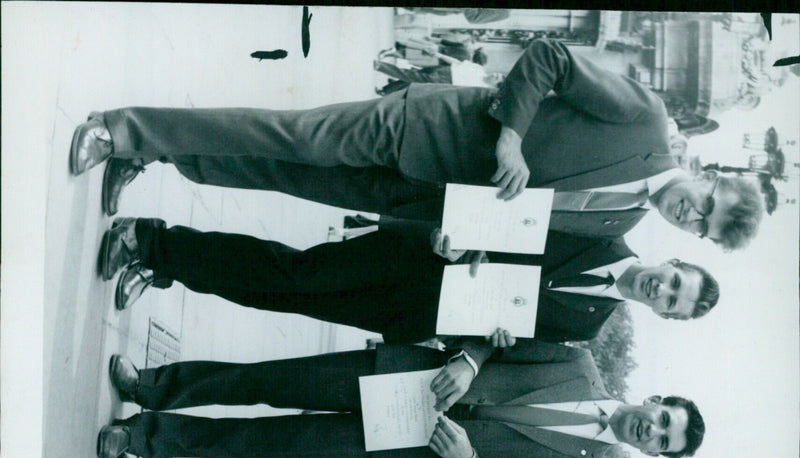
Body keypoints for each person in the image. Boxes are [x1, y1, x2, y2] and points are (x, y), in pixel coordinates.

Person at [69, 39, 764, 248]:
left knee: (281, 172)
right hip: (430, 127)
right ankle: (121, 127)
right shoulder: (644, 122)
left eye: (702, 228)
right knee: (288, 134)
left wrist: (465, 240)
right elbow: (550, 58)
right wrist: (512, 139)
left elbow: (526, 222)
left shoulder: (626, 217)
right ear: (714, 175)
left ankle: (157, 150)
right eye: (708, 204)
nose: (692, 217)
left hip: (419, 197)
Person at [96, 343, 706, 458]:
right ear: (654, 400)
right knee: (264, 380)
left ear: (652, 455)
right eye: (662, 420)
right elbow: (500, 336)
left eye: (660, 441)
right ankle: (150, 386)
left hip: (401, 448)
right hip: (401, 376)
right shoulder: (576, 360)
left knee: (266, 443)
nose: (650, 431)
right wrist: (469, 361)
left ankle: (144, 437)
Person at [101, 218, 719, 342]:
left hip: (416, 314)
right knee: (295, 270)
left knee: (285, 298)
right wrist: (446, 229)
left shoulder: (588, 325)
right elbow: (514, 209)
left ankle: (168, 268)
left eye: (671, 303)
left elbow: (502, 342)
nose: (659, 290)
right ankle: (151, 239)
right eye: (672, 281)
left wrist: (484, 352)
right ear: (673, 261)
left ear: (666, 316)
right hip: (422, 257)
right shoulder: (601, 232)